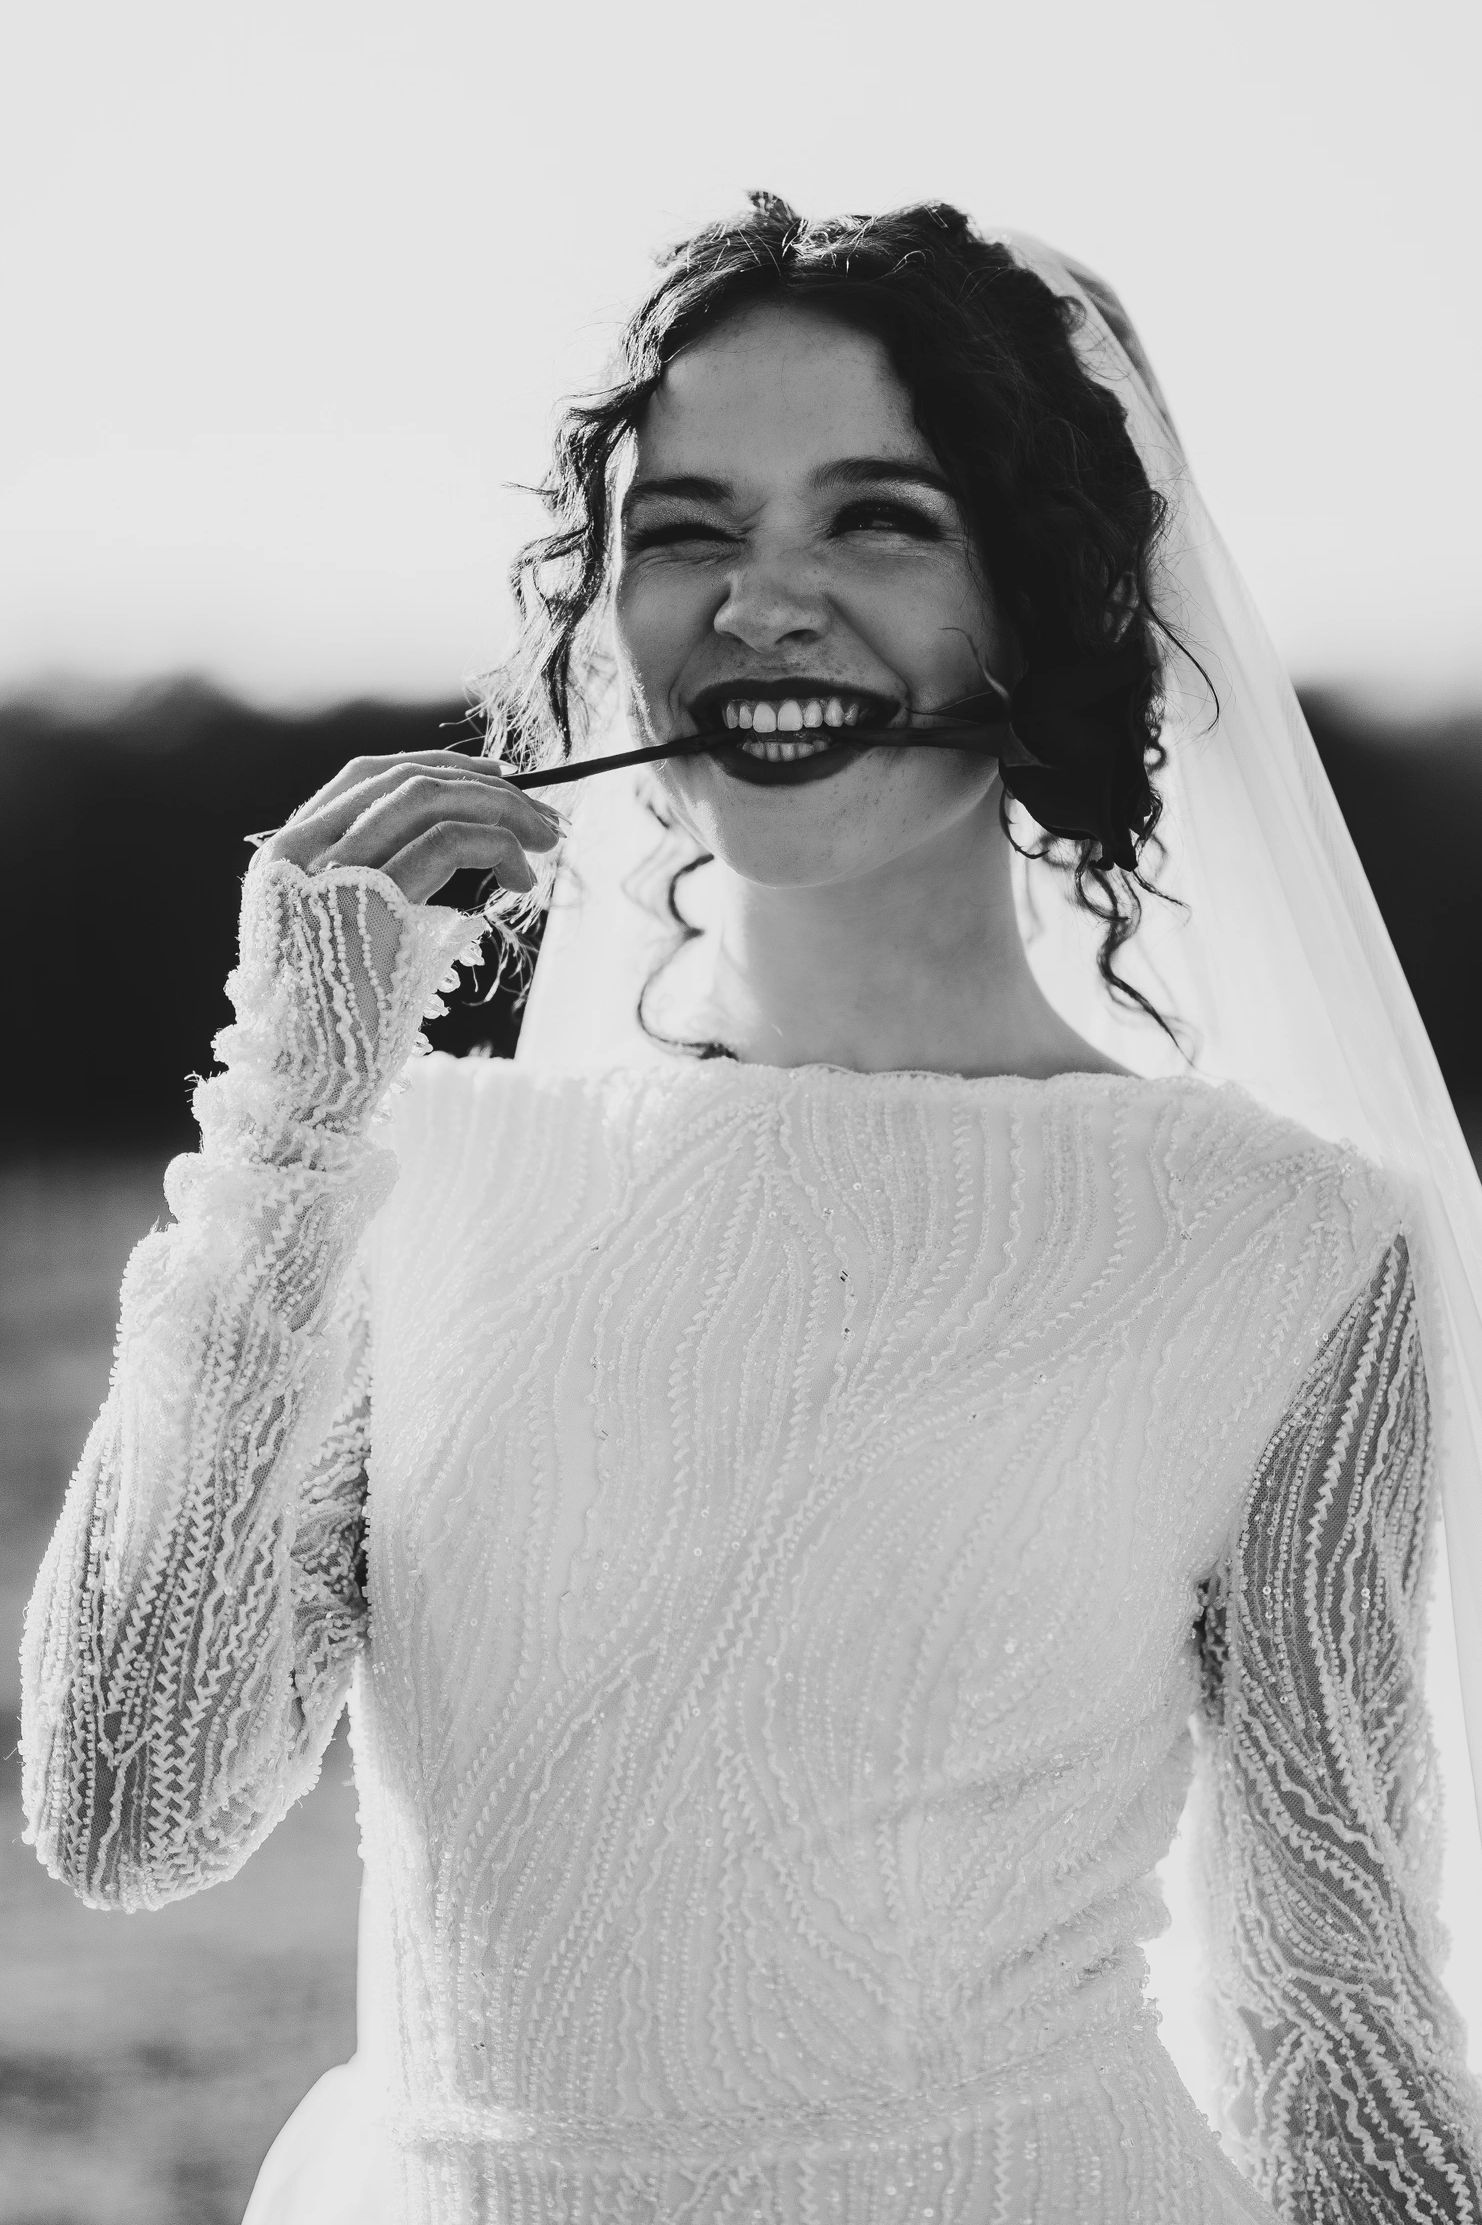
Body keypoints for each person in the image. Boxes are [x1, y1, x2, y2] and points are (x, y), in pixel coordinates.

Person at [20, 195, 1482, 2225]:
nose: (760, 603)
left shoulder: (1289, 1246)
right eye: (688, 531)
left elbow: (1336, 2021)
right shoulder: (404, 1173)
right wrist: (282, 1113)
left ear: (1044, 606)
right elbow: (127, 1807)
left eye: (878, 519)